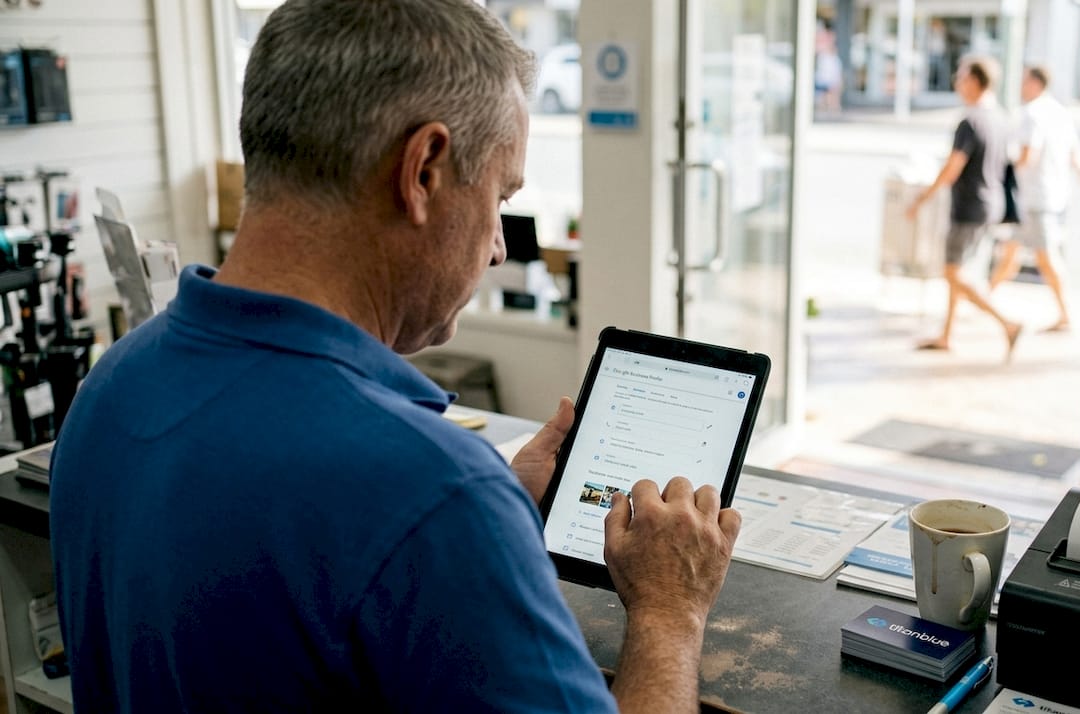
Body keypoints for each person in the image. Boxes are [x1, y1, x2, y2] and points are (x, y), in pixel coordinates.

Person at [48, 1, 740, 711]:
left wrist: (490, 509)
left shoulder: (111, 390)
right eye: (500, 195)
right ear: (424, 170)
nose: (499, 245)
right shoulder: (433, 496)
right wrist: (668, 613)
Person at [907, 55, 1022, 359]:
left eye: (960, 76)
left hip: (970, 207)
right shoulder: (998, 116)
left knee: (953, 273)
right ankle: (947, 335)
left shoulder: (969, 121)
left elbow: (952, 168)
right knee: (958, 270)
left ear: (974, 81)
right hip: (991, 204)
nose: (957, 82)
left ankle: (1007, 323)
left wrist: (922, 199)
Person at [988, 65, 1080, 332]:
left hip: (1033, 198)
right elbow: (1075, 155)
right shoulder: (1059, 112)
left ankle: (1065, 314)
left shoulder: (1031, 114)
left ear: (1035, 83)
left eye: (1024, 80)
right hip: (1050, 197)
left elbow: (1029, 155)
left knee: (1046, 258)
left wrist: (1000, 169)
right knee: (1010, 253)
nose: (1020, 86)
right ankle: (985, 299)